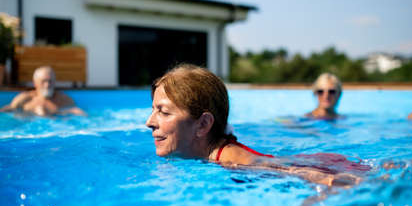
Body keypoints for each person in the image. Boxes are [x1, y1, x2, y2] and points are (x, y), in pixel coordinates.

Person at [145, 64, 369, 187]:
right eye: (153, 109)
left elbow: (323, 179)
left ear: (203, 124)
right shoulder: (197, 150)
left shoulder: (236, 162)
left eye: (163, 112)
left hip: (331, 166)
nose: (149, 122)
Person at [0, 66, 85, 116]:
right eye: (43, 81)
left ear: (54, 82)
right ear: (35, 83)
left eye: (50, 81)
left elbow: (77, 115)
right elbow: (9, 111)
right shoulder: (24, 99)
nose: (47, 85)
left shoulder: (65, 100)